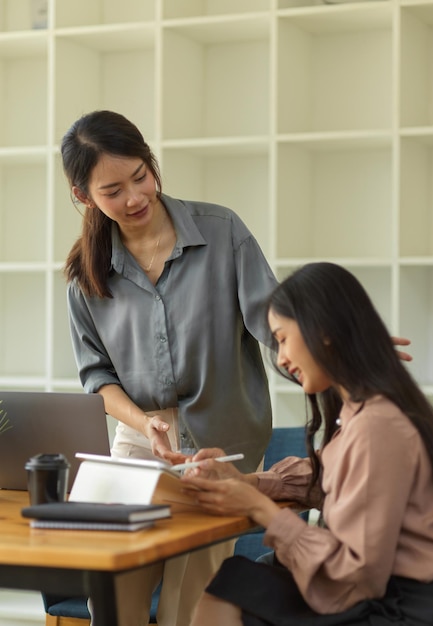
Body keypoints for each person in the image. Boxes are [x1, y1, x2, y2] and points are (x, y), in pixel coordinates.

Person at [61, 109, 279, 626]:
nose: (135, 197)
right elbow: (98, 380)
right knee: (112, 593)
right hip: (140, 442)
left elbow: (276, 328)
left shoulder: (222, 232)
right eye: (112, 190)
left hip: (223, 439)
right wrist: (144, 424)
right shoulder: (85, 276)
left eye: (141, 176)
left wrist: (345, 350)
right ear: (83, 196)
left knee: (190, 600)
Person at [181, 262, 433, 626]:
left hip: (416, 605)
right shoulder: (362, 412)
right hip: (400, 588)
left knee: (234, 586)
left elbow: (357, 575)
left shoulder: (376, 424)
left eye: (283, 338)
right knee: (237, 581)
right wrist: (245, 482)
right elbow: (333, 475)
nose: (281, 358)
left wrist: (259, 507)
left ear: (325, 331)